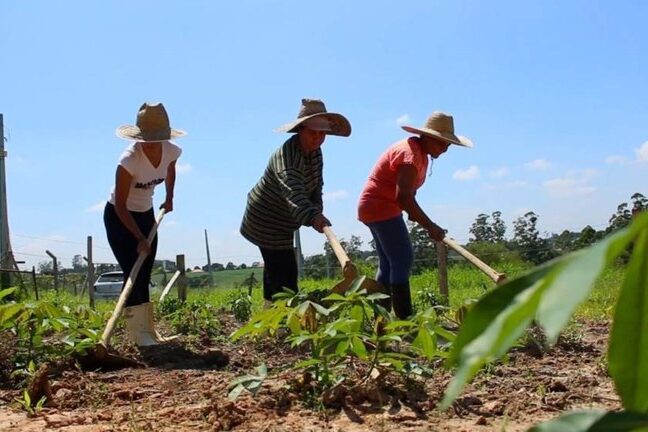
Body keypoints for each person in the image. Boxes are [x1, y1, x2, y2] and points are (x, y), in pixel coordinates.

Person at [357, 112, 472, 318]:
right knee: (402, 259)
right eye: (442, 143)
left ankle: (380, 321)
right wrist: (430, 225)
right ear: (427, 137)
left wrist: (413, 212)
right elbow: (403, 197)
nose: (445, 148)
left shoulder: (420, 154)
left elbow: (409, 193)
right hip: (381, 205)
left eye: (448, 144)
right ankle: (404, 321)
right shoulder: (409, 154)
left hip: (375, 206)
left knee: (389, 262)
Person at [240, 98, 351, 304]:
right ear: (301, 129)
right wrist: (314, 218)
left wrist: (317, 209)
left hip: (284, 221)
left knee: (275, 267)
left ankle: (268, 316)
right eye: (313, 133)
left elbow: (317, 185)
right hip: (264, 218)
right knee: (285, 274)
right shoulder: (287, 159)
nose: (317, 138)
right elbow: (296, 196)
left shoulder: (316, 152)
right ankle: (284, 324)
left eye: (322, 134)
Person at [104, 102, 184, 346]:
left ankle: (150, 332)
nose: (150, 143)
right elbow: (120, 205)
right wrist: (139, 238)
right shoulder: (128, 160)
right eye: (146, 139)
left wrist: (169, 197)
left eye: (155, 139)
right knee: (133, 271)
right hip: (120, 217)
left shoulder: (171, 150)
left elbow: (170, 170)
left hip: (146, 213)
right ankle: (138, 335)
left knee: (145, 270)